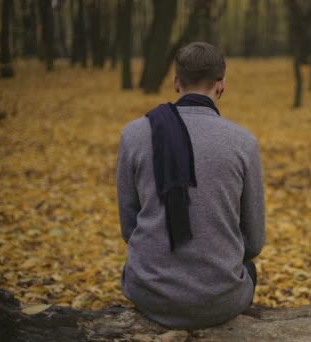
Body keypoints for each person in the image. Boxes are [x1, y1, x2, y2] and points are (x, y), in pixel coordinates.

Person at [116, 42, 265, 329]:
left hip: (150, 294)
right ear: (221, 86)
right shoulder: (244, 142)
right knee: (249, 270)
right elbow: (254, 241)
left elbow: (129, 228)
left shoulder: (133, 135)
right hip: (221, 299)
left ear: (175, 82)